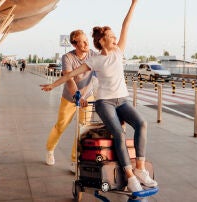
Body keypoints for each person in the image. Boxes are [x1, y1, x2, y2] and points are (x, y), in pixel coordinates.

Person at [41, 0, 157, 192]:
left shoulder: (118, 51)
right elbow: (69, 75)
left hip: (122, 100)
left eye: (114, 36)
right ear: (102, 41)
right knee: (118, 133)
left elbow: (125, 24)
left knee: (142, 124)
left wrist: (134, 4)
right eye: (111, 37)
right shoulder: (94, 59)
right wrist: (53, 85)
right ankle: (130, 177)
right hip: (104, 102)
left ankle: (140, 170)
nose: (114, 38)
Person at [43, 30, 97, 171]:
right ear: (74, 44)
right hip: (70, 98)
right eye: (82, 41)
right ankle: (50, 149)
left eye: (86, 40)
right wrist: (78, 96)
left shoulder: (93, 55)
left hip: (88, 97)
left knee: (83, 129)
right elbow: (69, 79)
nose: (86, 44)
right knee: (61, 126)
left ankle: (75, 160)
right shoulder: (67, 57)